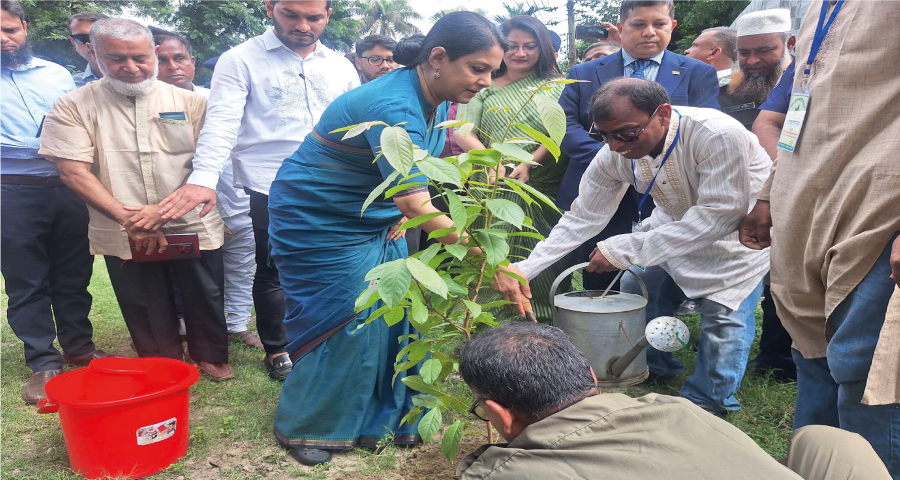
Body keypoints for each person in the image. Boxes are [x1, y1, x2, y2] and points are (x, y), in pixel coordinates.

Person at [266, 12, 505, 466]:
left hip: (379, 214)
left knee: (394, 310)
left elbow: (427, 170)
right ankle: (311, 424)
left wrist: (481, 166)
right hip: (317, 216)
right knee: (346, 318)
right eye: (478, 68)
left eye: (493, 71)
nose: (487, 82)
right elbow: (417, 204)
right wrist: (489, 262)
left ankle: (384, 416)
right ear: (438, 58)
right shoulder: (393, 105)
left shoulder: (437, 99)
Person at [495, 78, 770, 416]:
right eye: (603, 135)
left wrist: (626, 249)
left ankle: (708, 403)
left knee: (723, 323)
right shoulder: (615, 152)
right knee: (635, 289)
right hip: (667, 231)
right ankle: (653, 366)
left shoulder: (716, 135)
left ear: (664, 115)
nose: (613, 146)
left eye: (625, 134)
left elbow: (720, 215)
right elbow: (583, 216)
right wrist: (524, 268)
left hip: (733, 242)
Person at [156, 0, 361, 380]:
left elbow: (359, 125)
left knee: (333, 264)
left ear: (328, 16)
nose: (303, 25)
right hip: (272, 182)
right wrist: (202, 178)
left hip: (335, 182)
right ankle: (278, 347)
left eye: (314, 17)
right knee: (273, 266)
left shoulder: (340, 65)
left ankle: (325, 338)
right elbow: (222, 122)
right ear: (270, 8)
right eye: (291, 15)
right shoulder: (241, 59)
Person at [739, 1, 900, 476]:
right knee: (811, 353)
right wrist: (770, 194)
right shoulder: (816, 10)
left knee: (864, 368)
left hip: (877, 205)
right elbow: (795, 112)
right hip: (805, 206)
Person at [37, 18, 233, 382]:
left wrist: (160, 212)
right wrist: (128, 218)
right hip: (120, 221)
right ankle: (164, 360)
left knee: (204, 289)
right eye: (117, 59)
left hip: (188, 217)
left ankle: (210, 354)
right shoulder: (72, 106)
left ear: (154, 54)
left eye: (140, 58)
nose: (130, 68)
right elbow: (73, 171)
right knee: (142, 295)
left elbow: (209, 160)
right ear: (93, 54)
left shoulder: (191, 103)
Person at [456, 321, 892, 480]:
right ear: (591, 375)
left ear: (497, 413)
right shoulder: (674, 407)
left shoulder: (509, 472)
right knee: (823, 441)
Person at [558, 0, 720, 295]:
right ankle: (600, 321)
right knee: (600, 264)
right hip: (601, 189)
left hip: (672, 189)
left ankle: (655, 330)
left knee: (660, 269)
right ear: (620, 29)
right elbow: (565, 126)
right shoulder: (583, 72)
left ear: (671, 27)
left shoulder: (697, 73)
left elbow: (702, 129)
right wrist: (616, 160)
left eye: (658, 24)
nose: (649, 32)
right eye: (638, 25)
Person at [1, 0, 114, 405]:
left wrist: (62, 147)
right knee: (25, 278)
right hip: (9, 189)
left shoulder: (56, 74)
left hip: (69, 186)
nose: (4, 39)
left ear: (25, 28)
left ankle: (80, 348)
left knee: (73, 271)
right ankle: (43, 361)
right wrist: (48, 145)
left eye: (10, 29)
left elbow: (78, 124)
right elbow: (57, 139)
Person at [152, 29, 263, 350]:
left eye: (180, 58)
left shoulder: (219, 98)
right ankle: (186, 325)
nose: (173, 67)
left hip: (236, 197)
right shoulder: (146, 106)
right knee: (188, 272)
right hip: (181, 205)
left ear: (192, 61)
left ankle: (238, 322)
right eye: (162, 60)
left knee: (244, 264)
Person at [453, 15, 566, 322]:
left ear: (543, 48)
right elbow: (462, 132)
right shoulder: (484, 85)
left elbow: (560, 131)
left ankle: (543, 321)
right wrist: (494, 160)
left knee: (540, 251)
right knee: (491, 252)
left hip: (541, 184)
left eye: (530, 46)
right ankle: (487, 324)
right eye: (512, 46)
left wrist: (530, 163)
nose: (520, 53)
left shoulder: (556, 86)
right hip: (492, 182)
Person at [723, 9, 794, 130]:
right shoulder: (726, 91)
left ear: (789, 44)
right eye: (744, 53)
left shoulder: (807, 85)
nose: (752, 61)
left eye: (764, 51)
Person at [67, 11, 107, 87]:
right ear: (73, 43)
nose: (92, 44)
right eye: (83, 38)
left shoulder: (135, 81)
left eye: (100, 38)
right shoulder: (72, 86)